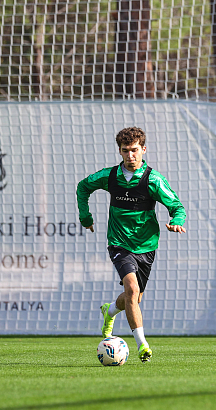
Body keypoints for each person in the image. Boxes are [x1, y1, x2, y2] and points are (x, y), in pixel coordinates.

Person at [76, 127, 186, 363]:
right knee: (132, 290)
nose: (130, 155)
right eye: (125, 150)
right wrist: (85, 217)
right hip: (119, 243)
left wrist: (177, 221)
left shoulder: (153, 180)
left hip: (146, 245)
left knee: (133, 298)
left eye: (134, 150)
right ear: (120, 151)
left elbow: (177, 207)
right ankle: (142, 346)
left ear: (143, 149)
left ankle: (110, 311)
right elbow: (83, 187)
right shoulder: (110, 176)